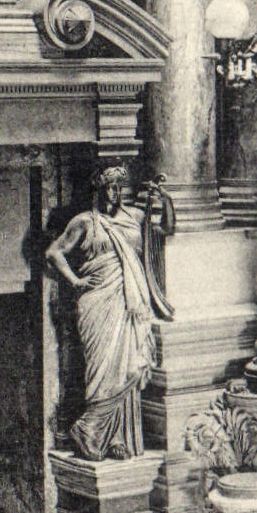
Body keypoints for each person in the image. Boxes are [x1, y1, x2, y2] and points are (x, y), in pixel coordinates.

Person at [45, 166, 174, 461]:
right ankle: (89, 427)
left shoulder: (134, 217)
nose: (116, 193)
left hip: (129, 303)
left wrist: (164, 201)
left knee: (129, 364)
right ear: (99, 190)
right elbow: (53, 252)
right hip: (97, 302)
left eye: (119, 187)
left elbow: (166, 229)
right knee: (102, 368)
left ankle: (116, 437)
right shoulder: (85, 222)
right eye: (110, 187)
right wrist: (76, 281)